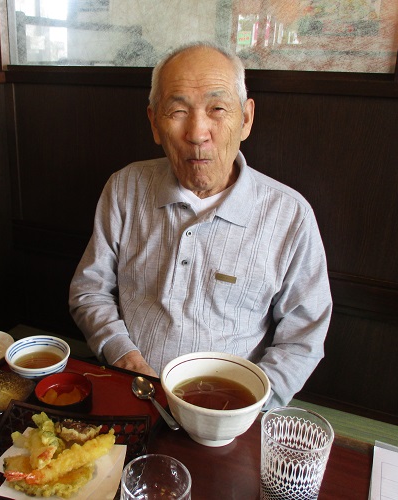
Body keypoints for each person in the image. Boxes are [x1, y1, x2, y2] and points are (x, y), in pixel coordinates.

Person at [68, 42, 332, 408]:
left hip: (231, 412)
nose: (197, 132)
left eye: (217, 109)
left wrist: (248, 407)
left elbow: (303, 337)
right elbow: (89, 291)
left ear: (246, 119)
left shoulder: (290, 216)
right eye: (177, 110)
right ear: (154, 123)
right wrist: (124, 358)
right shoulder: (125, 187)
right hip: (131, 391)